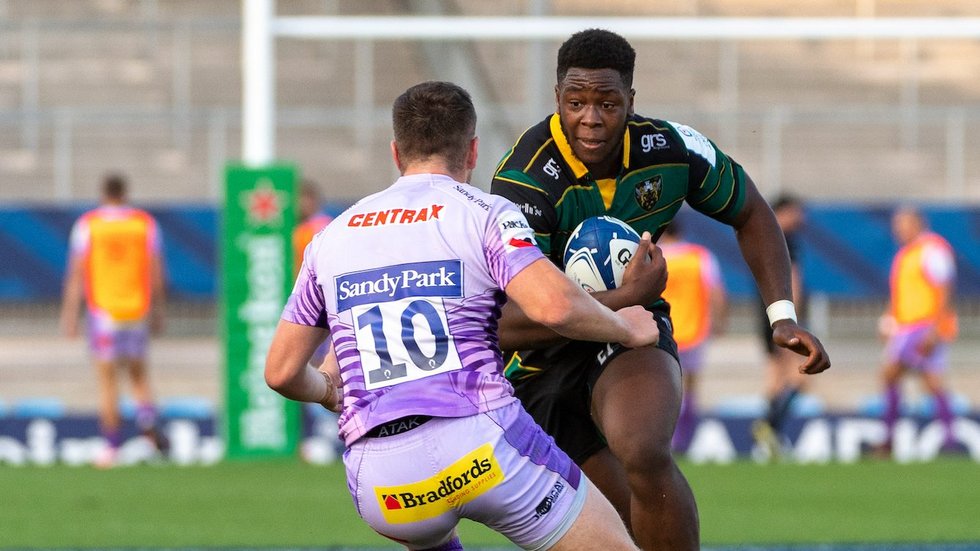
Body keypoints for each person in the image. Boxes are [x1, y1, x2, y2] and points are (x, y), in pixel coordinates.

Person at [265, 81, 661, 551]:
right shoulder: (485, 213)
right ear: (473, 151)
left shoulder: (331, 237)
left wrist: (330, 390)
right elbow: (552, 306)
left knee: (428, 530)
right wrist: (625, 325)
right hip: (480, 447)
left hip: (381, 478)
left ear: (396, 153)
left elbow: (281, 373)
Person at [490, 29, 831, 550]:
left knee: (645, 452)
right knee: (617, 524)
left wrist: (781, 315)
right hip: (541, 358)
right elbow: (506, 326)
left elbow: (753, 212)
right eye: (576, 102)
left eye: (608, 102)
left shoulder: (673, 149)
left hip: (633, 333)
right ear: (557, 97)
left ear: (631, 100)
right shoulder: (524, 182)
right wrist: (625, 296)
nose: (592, 118)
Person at [59, 173, 168, 468]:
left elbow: (77, 273)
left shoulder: (88, 225)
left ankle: (111, 446)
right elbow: (156, 271)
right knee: (139, 375)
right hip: (136, 309)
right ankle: (149, 432)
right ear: (125, 193)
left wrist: (70, 313)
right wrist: (159, 309)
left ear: (103, 193)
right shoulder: (144, 224)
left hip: (104, 312)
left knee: (108, 381)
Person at [874, 205, 959, 457]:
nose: (897, 229)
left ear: (916, 224)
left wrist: (934, 328)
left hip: (921, 326)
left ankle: (888, 440)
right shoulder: (907, 254)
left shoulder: (932, 250)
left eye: (902, 224)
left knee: (890, 374)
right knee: (932, 381)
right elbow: (901, 294)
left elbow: (944, 290)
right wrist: (890, 318)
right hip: (909, 326)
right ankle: (950, 439)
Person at [658, 220, 727, 454]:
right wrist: (719, 322)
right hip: (694, 330)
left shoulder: (654, 257)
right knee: (690, 388)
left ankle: (665, 438)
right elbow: (716, 292)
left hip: (662, 330)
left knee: (665, 387)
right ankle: (681, 440)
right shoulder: (699, 257)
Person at [751, 194, 809, 460]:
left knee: (776, 376)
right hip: (783, 315)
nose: (801, 219)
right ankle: (769, 425)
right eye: (796, 213)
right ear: (783, 212)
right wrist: (792, 316)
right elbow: (791, 278)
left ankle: (769, 434)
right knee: (798, 377)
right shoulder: (785, 240)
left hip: (766, 312)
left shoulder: (764, 236)